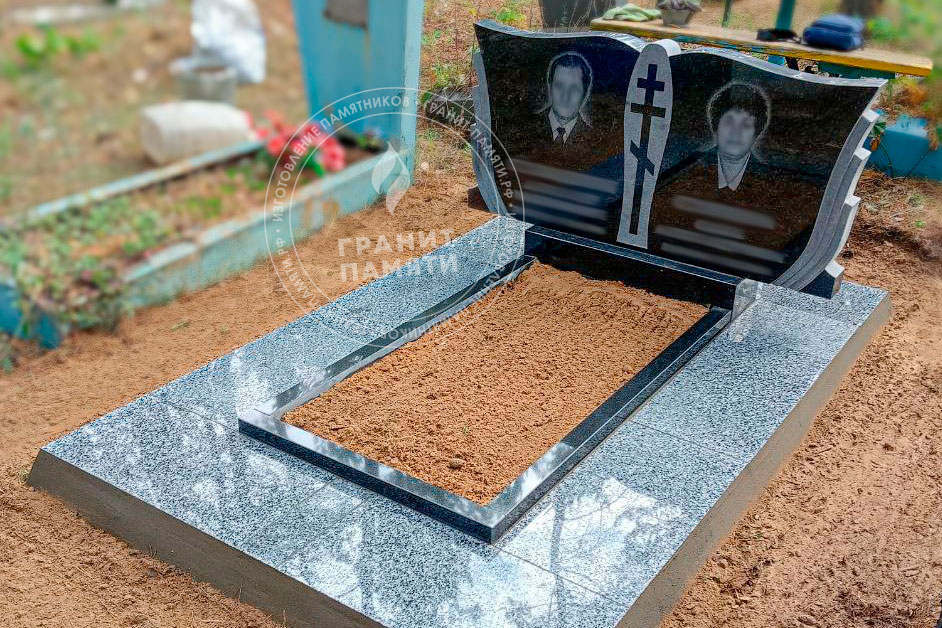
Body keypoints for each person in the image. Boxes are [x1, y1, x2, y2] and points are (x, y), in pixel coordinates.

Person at [709, 82, 769, 191]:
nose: (736, 132)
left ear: (756, 133)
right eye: (729, 122)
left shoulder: (768, 180)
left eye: (746, 125)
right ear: (716, 127)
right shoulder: (690, 167)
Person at [542, 52, 593, 145]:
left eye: (574, 89)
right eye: (559, 86)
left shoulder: (594, 140)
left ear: (585, 93)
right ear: (550, 86)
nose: (565, 97)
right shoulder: (525, 127)